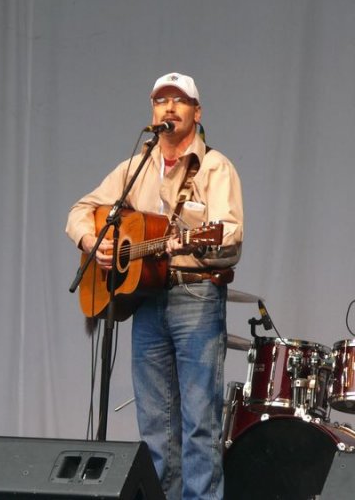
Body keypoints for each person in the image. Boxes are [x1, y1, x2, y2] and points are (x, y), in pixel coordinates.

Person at [66, 72, 243, 500]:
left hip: (195, 297)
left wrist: (186, 244)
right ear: (152, 112)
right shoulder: (137, 166)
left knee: (199, 425)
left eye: (179, 101)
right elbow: (80, 210)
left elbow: (231, 237)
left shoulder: (215, 168)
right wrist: (94, 241)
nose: (169, 107)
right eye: (161, 100)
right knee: (155, 429)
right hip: (144, 302)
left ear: (196, 113)